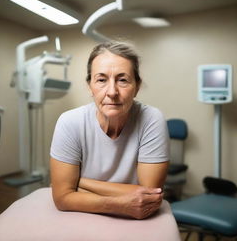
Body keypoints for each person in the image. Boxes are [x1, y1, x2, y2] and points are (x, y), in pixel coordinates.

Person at [50, 41, 169, 220]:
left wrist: (80, 184)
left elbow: (149, 195)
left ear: (136, 86)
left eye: (122, 80)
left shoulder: (151, 119)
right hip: (81, 219)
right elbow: (62, 198)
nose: (112, 92)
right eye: (101, 80)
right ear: (90, 85)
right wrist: (120, 205)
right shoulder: (70, 122)